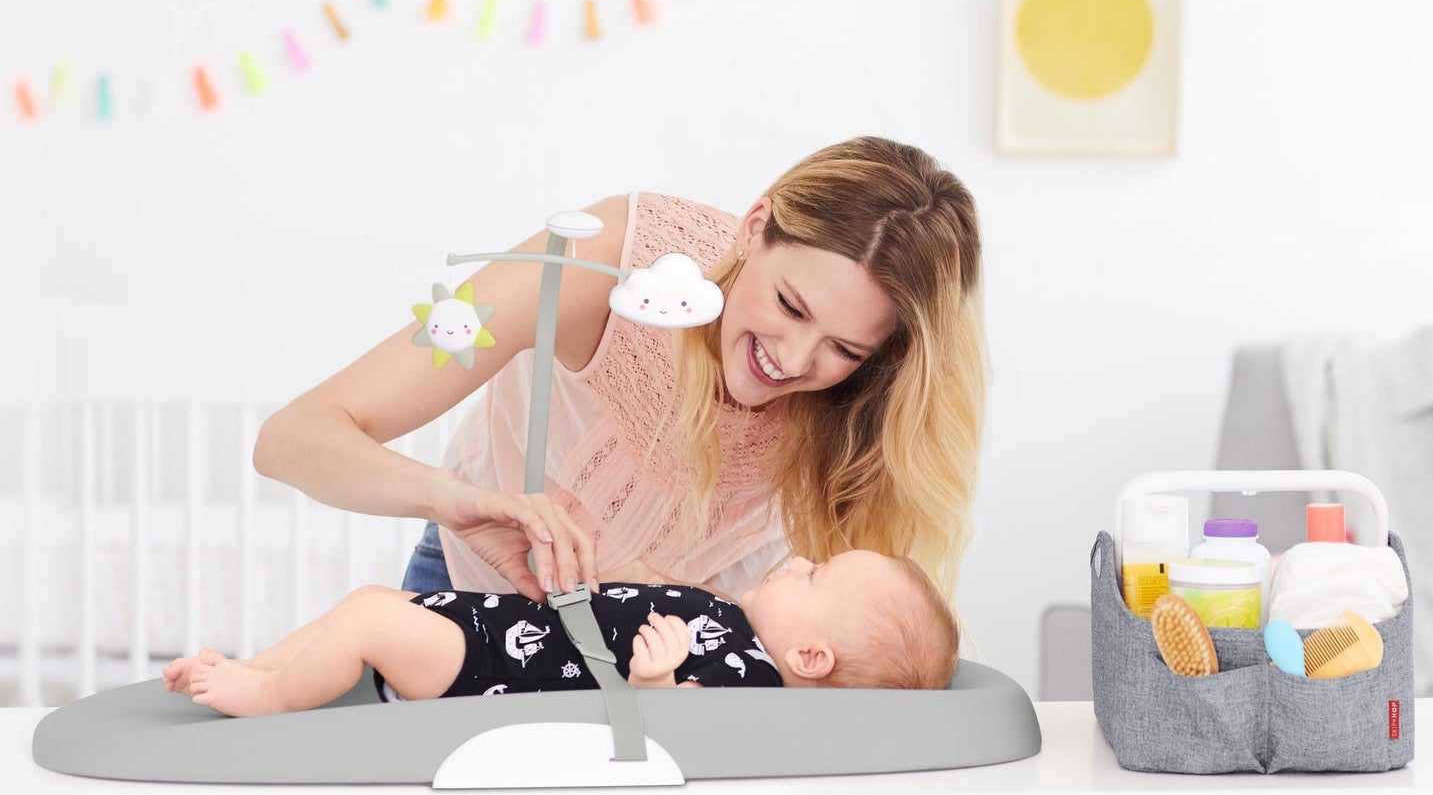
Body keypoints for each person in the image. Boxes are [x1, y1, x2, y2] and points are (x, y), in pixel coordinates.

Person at [253, 136, 987, 633]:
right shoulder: (599, 265)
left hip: (675, 648)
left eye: (844, 349)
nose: (794, 360)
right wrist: (455, 501)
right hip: (477, 598)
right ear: (753, 227)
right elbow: (292, 439)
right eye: (791, 307)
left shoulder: (876, 397)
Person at [163, 549, 961, 716]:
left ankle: (267, 699)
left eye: (813, 576)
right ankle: (251, 668)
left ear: (809, 657)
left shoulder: (748, 679)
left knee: (371, 622)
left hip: (497, 670)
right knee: (372, 600)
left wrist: (653, 681)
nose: (795, 561)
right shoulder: (737, 626)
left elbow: (686, 733)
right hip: (507, 628)